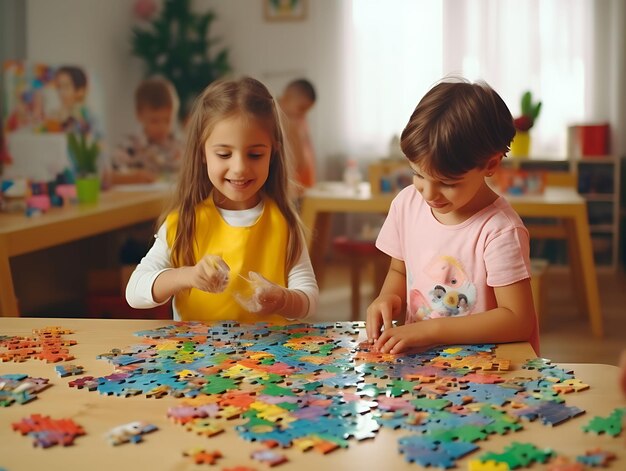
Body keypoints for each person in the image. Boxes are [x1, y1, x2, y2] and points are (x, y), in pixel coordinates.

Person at [365, 78, 539, 355]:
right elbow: (399, 270)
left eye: (447, 182)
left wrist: (430, 330)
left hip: (489, 372)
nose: (428, 193)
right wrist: (387, 297)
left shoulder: (500, 230)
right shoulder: (406, 204)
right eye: (418, 174)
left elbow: (518, 320)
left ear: (491, 164)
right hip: (423, 367)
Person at [126, 77, 319, 322]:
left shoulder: (284, 223)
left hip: (269, 358)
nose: (239, 168)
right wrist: (188, 276)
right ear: (203, 153)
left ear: (273, 153)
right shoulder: (185, 221)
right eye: (224, 154)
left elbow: (309, 299)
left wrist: (282, 298)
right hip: (196, 358)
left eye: (255, 154)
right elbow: (134, 292)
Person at [110, 77, 184, 184]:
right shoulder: (129, 147)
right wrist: (131, 178)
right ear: (139, 115)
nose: (162, 127)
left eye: (167, 120)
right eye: (154, 121)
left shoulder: (180, 145)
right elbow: (108, 177)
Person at [278, 79, 317, 192]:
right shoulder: (278, 120)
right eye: (301, 108)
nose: (304, 113)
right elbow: (299, 163)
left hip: (306, 186)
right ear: (287, 97)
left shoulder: (299, 119)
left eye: (307, 110)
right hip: (290, 189)